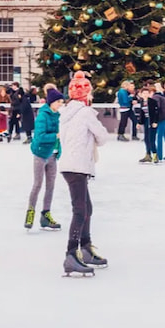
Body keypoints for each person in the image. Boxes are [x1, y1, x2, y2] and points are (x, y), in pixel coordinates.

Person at [58, 71, 110, 277]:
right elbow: (103, 137)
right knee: (80, 210)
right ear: (85, 94)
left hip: (69, 164)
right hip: (78, 165)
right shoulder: (86, 113)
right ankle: (71, 254)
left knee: (87, 207)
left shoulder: (65, 112)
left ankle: (86, 248)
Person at [26, 87, 64, 231]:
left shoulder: (58, 115)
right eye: (59, 101)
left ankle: (45, 215)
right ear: (52, 102)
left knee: (50, 186)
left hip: (53, 155)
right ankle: (30, 213)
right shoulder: (43, 116)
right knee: (37, 184)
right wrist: (56, 136)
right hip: (41, 154)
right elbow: (40, 137)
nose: (61, 104)